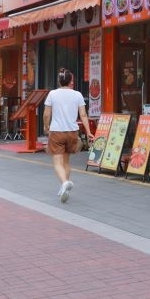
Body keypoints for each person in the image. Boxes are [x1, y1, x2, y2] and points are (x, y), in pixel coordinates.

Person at [43, 68, 92, 204]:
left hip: (57, 132)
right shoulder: (77, 95)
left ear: (59, 81)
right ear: (71, 81)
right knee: (66, 162)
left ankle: (64, 183)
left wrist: (46, 126)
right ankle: (65, 188)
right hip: (72, 132)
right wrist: (88, 132)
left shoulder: (52, 94)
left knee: (57, 163)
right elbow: (83, 115)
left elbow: (46, 114)